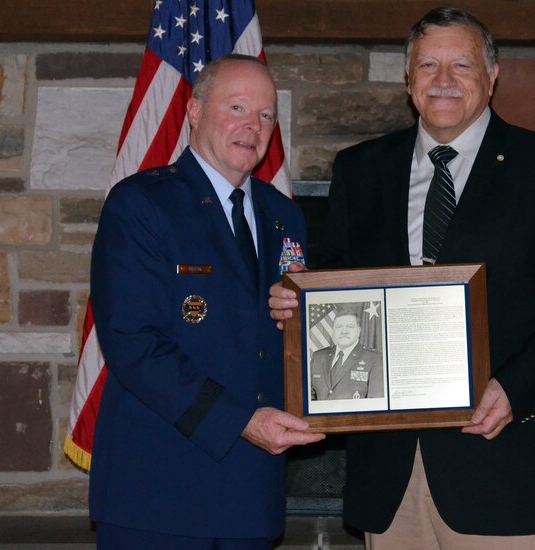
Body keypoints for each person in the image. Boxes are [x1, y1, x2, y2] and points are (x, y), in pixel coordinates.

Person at [270, 7, 535, 549]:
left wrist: (513, 388)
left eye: (461, 65)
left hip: (507, 468)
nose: (444, 81)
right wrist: (295, 303)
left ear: (491, 75)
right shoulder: (361, 170)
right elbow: (332, 287)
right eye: (428, 65)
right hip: (391, 478)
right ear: (409, 81)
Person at [88, 54, 324, 549]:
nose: (252, 126)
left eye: (264, 115)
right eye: (236, 107)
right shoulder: (142, 205)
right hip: (161, 492)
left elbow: (280, 339)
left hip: (251, 494)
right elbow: (132, 341)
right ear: (194, 111)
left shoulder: (284, 216)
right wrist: (238, 421)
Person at [310, 310, 383, 400]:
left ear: (359, 331)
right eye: (339, 327)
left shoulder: (374, 358)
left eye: (350, 326)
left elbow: (375, 401)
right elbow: (310, 396)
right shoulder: (318, 357)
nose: (344, 331)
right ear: (333, 331)